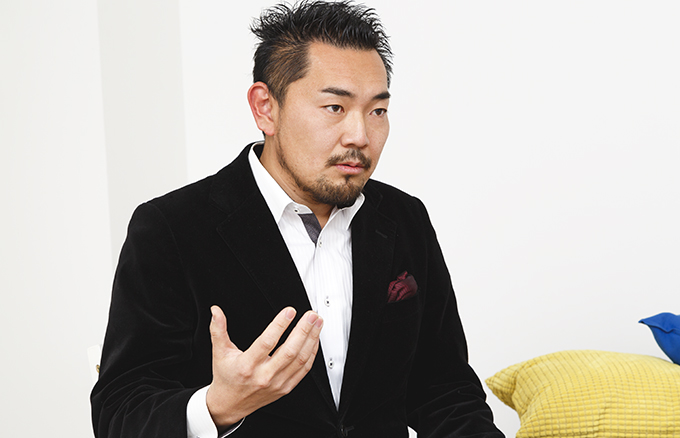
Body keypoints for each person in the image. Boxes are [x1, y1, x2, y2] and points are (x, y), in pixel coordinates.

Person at [91, 1, 505, 437]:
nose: (360, 136)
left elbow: (444, 390)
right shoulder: (171, 228)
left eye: (377, 111)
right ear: (265, 108)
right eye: (335, 107)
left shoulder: (405, 218)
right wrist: (218, 407)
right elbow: (121, 412)